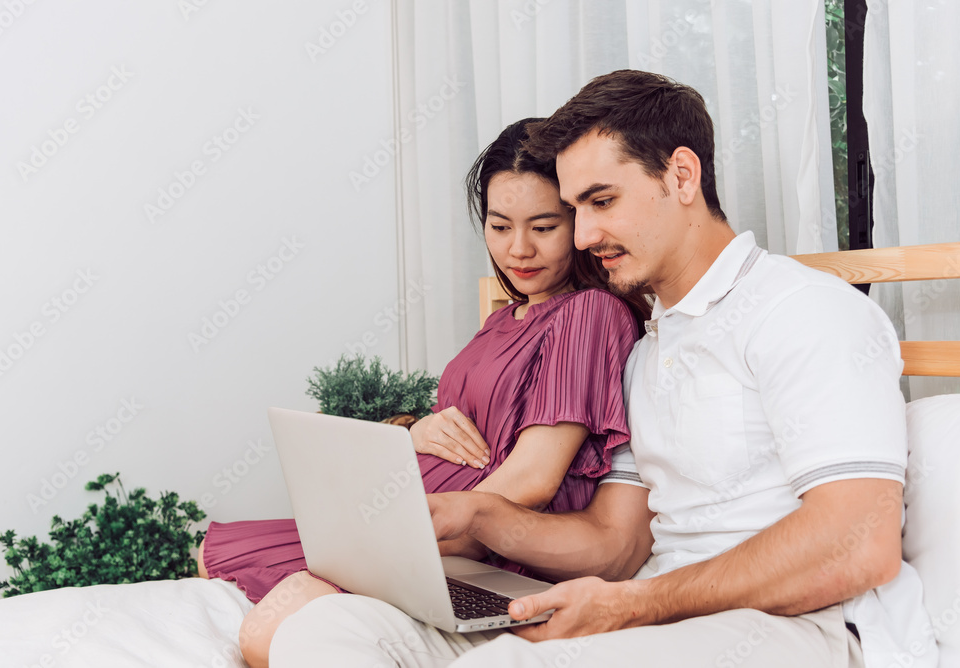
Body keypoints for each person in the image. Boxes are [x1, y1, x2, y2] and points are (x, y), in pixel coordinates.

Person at [268, 70, 939, 668]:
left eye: (601, 201)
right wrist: (481, 518)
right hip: (653, 608)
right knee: (331, 630)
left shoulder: (802, 310)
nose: (583, 236)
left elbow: (858, 544)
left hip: (796, 627)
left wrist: (636, 605)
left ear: (681, 176)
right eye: (577, 209)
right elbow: (613, 544)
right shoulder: (649, 350)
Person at [198, 118, 646, 668]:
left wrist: (409, 540)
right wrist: (417, 430)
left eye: (544, 227)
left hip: (476, 541)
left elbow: (532, 479)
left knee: (264, 635)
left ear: (578, 224)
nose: (519, 250)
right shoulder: (503, 318)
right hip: (417, 519)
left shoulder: (589, 313)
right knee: (211, 553)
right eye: (501, 227)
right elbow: (456, 425)